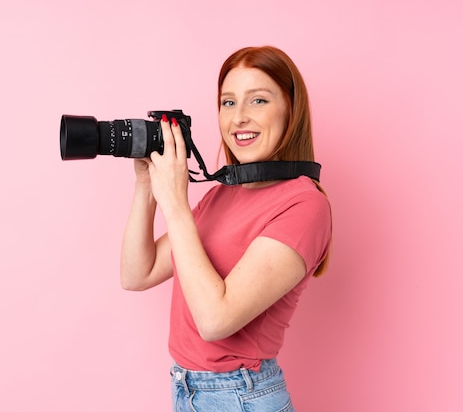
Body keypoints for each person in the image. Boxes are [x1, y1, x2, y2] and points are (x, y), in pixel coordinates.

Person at [120, 45, 332, 412]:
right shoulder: (222, 195)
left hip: (241, 396)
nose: (239, 118)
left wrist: (176, 202)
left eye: (259, 101)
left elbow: (215, 320)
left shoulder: (305, 204)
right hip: (187, 390)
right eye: (228, 102)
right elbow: (137, 274)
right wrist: (147, 188)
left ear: (291, 112)